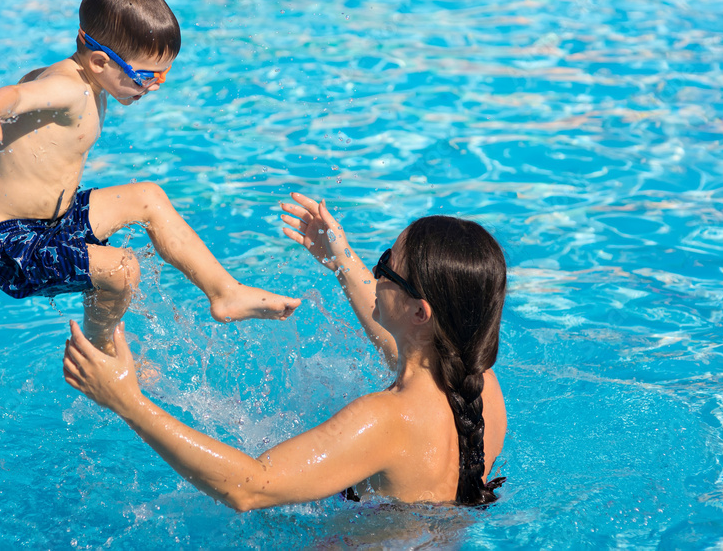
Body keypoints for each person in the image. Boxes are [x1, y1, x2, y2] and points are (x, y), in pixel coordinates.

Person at [62, 192, 507, 508]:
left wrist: (127, 402)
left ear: (420, 313)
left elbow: (250, 487)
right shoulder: (480, 387)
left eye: (387, 264)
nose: (379, 269)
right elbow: (398, 339)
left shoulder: (384, 420)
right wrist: (340, 257)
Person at [0, 0, 299, 353]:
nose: (154, 86)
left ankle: (225, 292)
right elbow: (18, 95)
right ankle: (100, 350)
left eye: (162, 76)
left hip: (51, 225)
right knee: (122, 267)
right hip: (9, 246)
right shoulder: (67, 87)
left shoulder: (91, 80)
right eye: (145, 76)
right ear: (101, 61)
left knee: (148, 197)